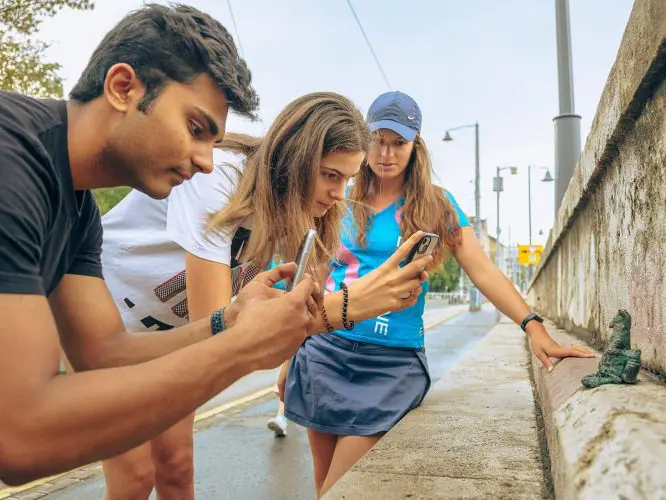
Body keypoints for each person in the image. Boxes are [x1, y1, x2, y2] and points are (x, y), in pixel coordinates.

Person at [0, 3, 325, 487]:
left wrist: (227, 321)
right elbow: (19, 438)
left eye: (214, 142)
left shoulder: (80, 209)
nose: (206, 163)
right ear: (123, 87)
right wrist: (241, 347)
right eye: (196, 129)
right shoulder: (12, 160)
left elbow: (104, 354)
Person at [97, 92, 433, 499]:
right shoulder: (219, 176)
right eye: (330, 175)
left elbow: (277, 326)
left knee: (176, 468)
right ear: (295, 158)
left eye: (347, 178)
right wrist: (351, 304)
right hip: (109, 319)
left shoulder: (305, 215)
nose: (339, 193)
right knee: (135, 476)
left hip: (173, 336)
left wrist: (304, 333)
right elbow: (222, 331)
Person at [280, 91, 595, 498]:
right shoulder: (342, 196)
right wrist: (291, 353)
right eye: (378, 139)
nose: (386, 153)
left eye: (399, 143)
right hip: (325, 352)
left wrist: (533, 326)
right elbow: (315, 277)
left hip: (390, 364)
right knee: (324, 486)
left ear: (415, 147)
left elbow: (482, 271)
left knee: (340, 489)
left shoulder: (435, 204)